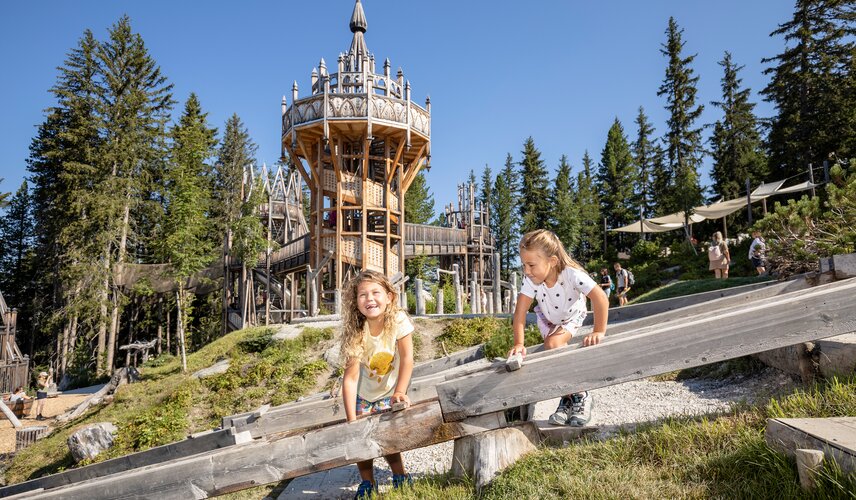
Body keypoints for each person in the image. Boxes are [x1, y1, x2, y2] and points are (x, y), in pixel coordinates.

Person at [509, 230, 609, 427]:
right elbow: (519, 313)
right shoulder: (531, 281)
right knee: (552, 348)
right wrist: (519, 344)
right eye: (524, 265)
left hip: (573, 315)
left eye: (531, 265)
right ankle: (567, 397)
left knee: (553, 343)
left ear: (552, 261)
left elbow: (601, 298)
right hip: (547, 319)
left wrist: (598, 330)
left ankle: (581, 394)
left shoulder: (571, 275)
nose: (527, 271)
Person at [340, 270, 414, 498]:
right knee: (362, 441)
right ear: (356, 302)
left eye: (375, 292)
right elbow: (350, 379)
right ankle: (368, 483)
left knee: (388, 439)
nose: (369, 299)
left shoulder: (398, 320)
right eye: (362, 295)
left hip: (389, 391)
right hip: (364, 394)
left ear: (389, 296)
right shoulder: (356, 332)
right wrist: (351, 419)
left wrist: (400, 391)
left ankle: (400, 476)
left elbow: (408, 358)